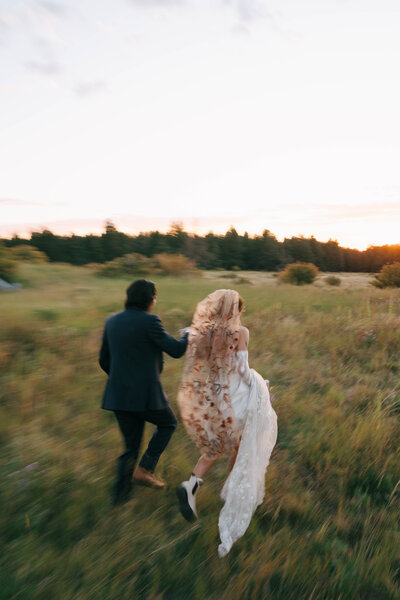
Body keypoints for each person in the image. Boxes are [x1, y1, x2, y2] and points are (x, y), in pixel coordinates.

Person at [176, 289, 277, 556]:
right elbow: (243, 371)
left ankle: (191, 485)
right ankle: (232, 492)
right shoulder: (239, 333)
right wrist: (261, 385)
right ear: (237, 311)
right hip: (236, 395)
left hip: (212, 395)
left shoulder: (202, 332)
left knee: (214, 448)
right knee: (241, 446)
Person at [99, 279, 189, 506]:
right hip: (146, 395)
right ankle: (145, 469)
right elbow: (177, 350)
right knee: (168, 424)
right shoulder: (150, 321)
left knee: (130, 447)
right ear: (150, 300)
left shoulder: (112, 321)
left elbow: (103, 360)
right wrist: (189, 334)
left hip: (119, 396)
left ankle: (120, 500)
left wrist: (122, 380)